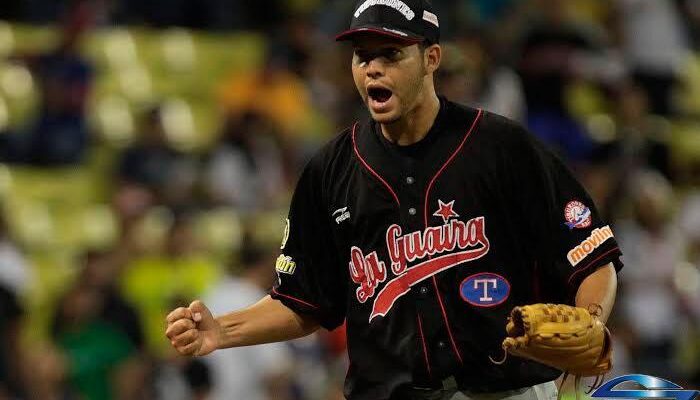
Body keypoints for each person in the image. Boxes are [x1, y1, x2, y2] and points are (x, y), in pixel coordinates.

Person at [166, 1, 622, 399]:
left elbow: (591, 255)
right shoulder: (330, 170)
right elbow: (303, 301)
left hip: (502, 392)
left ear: (431, 58)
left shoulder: (501, 148)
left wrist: (592, 320)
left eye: (391, 54)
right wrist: (221, 331)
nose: (373, 68)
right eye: (362, 56)